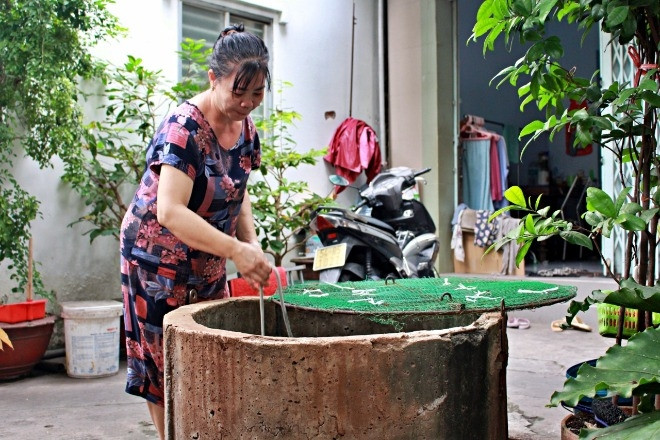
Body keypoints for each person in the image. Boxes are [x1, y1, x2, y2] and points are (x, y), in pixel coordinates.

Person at [119, 24, 272, 440]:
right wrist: (235, 250)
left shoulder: (247, 132)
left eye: (257, 93)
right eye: (238, 92)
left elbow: (237, 193)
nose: (246, 103)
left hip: (206, 259)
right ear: (212, 78)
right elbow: (169, 210)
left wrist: (251, 245)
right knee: (165, 366)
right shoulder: (183, 128)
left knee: (210, 354)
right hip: (155, 259)